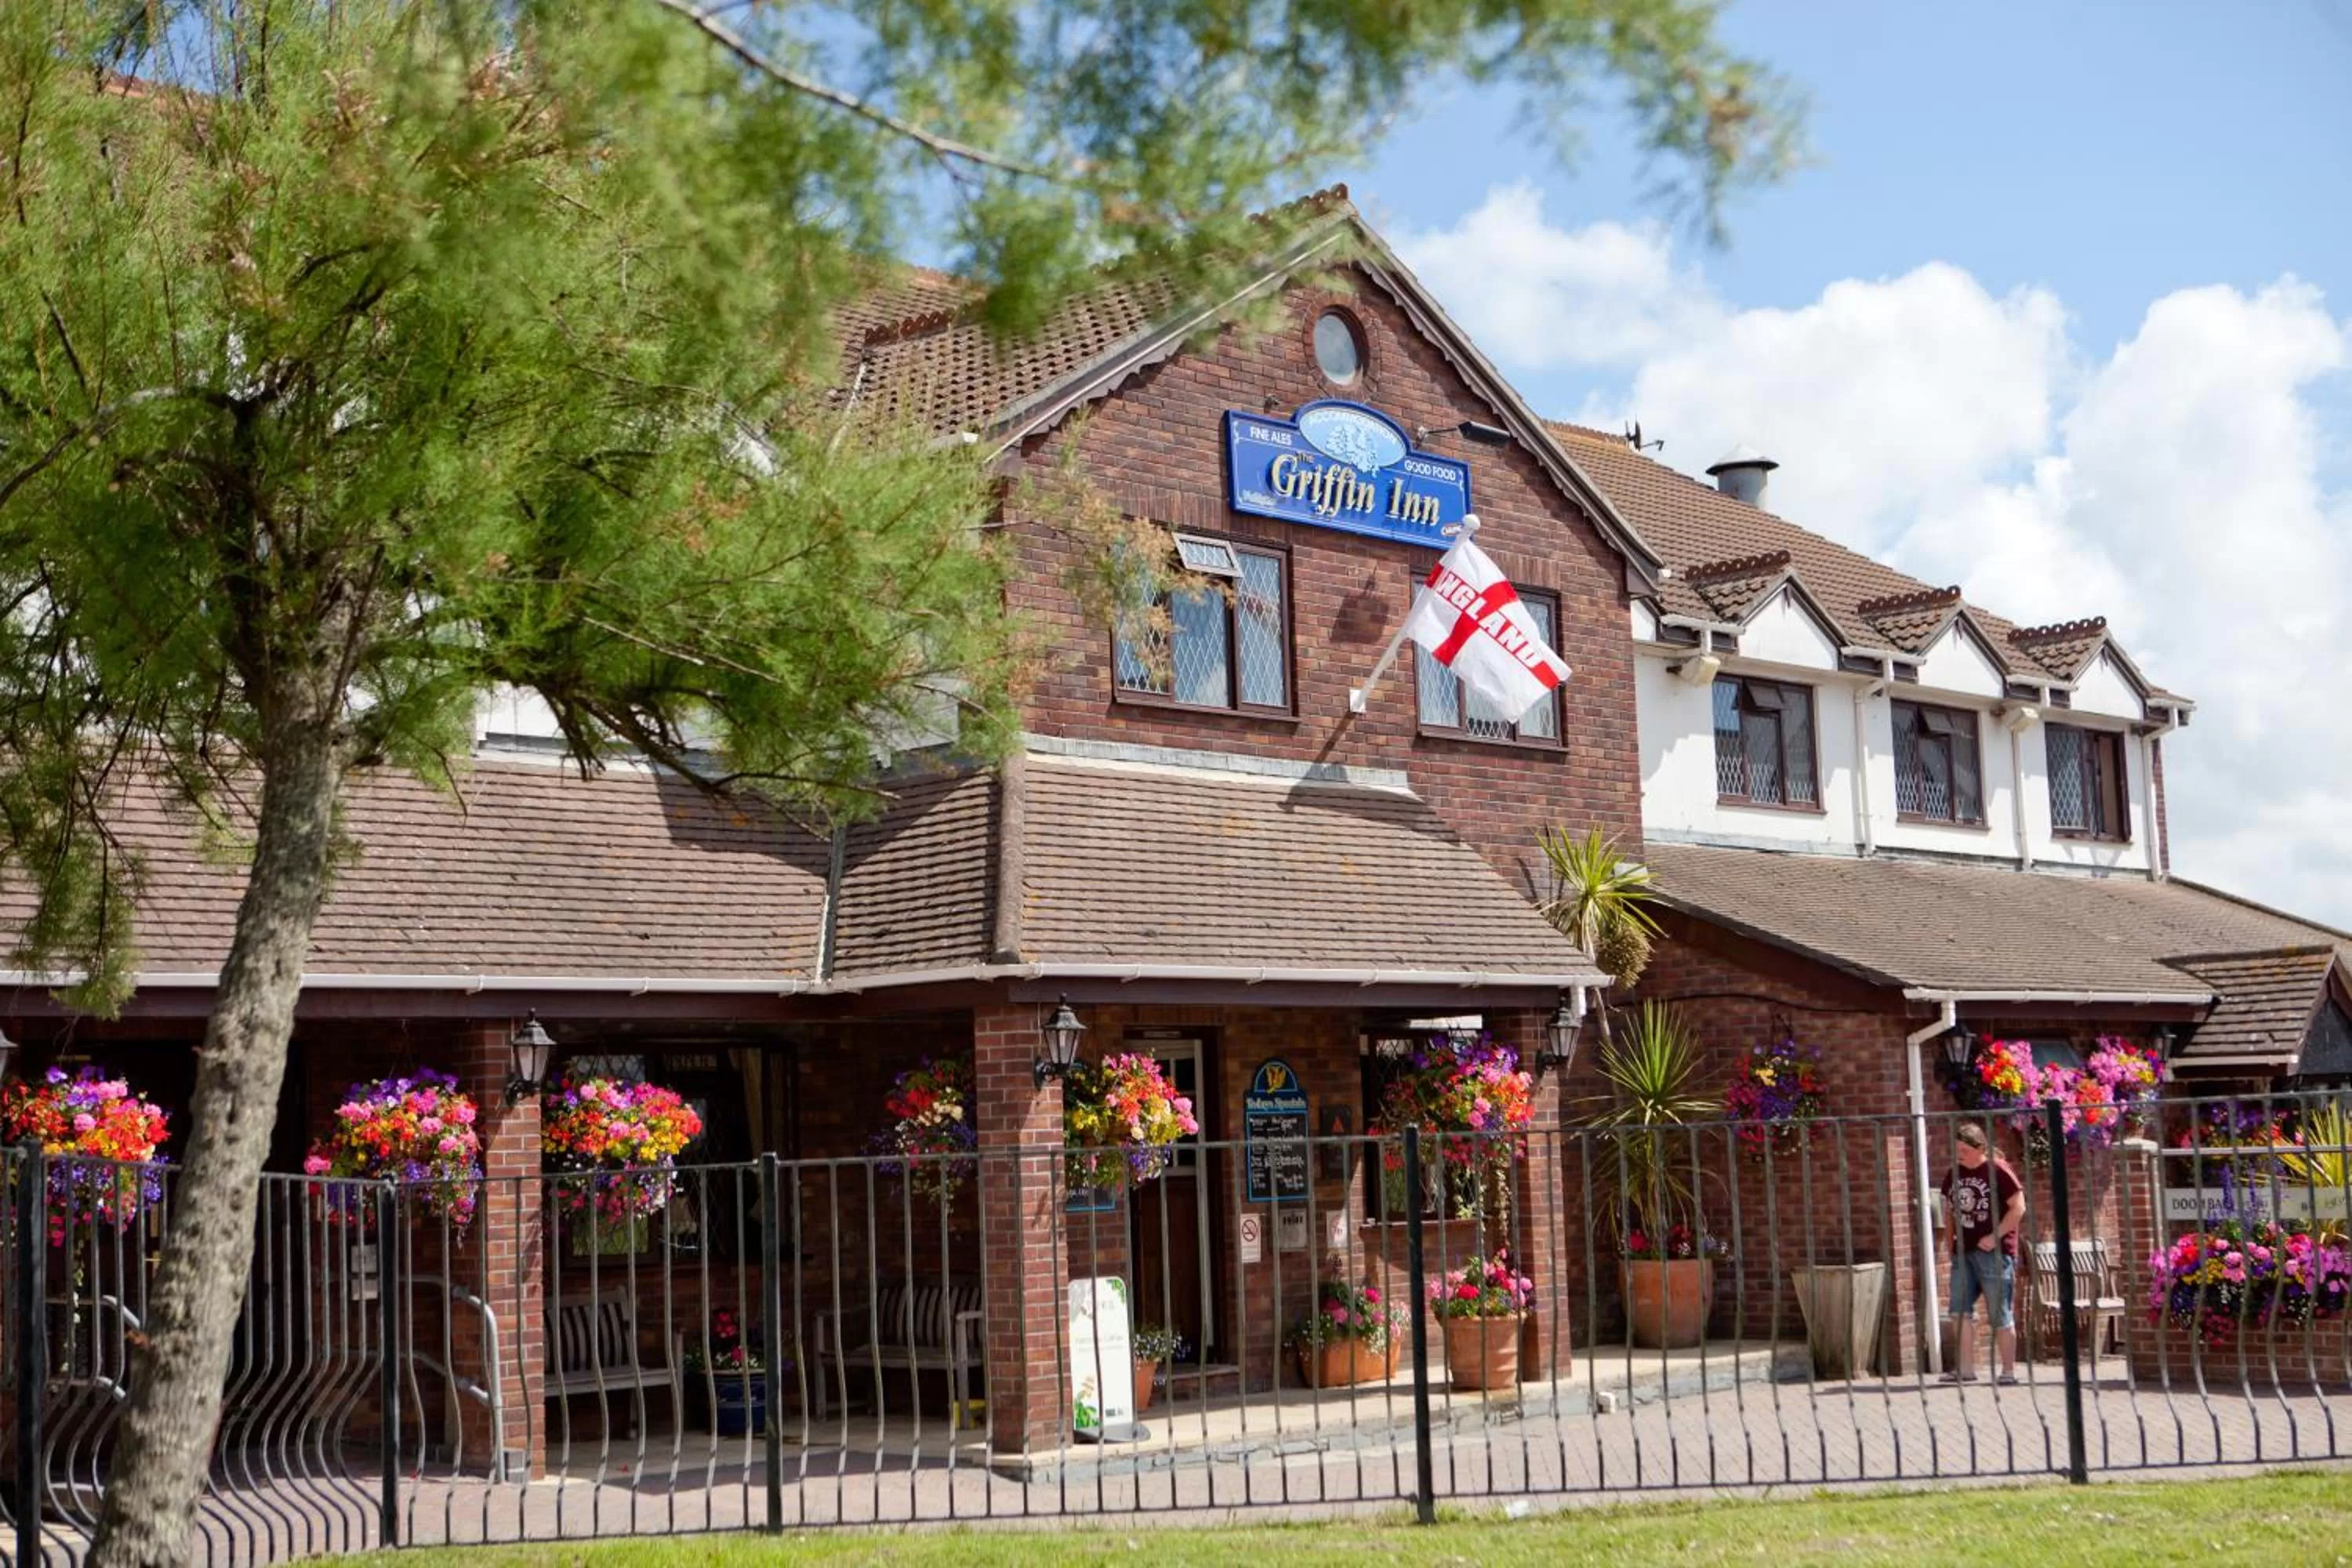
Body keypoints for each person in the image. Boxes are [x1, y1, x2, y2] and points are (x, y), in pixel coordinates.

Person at [1940, 1121, 2024, 1385]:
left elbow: (2018, 1208)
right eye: (1957, 1150)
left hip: (1994, 1253)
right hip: (1964, 1252)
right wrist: (1950, 1244)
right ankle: (1965, 1370)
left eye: (1964, 1150)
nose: (1960, 1155)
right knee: (1959, 1310)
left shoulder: (1998, 1170)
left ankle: (2008, 1371)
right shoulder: (1954, 1173)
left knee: (1999, 1311)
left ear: (1980, 1148)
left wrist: (1995, 1236)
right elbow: (1951, 1211)